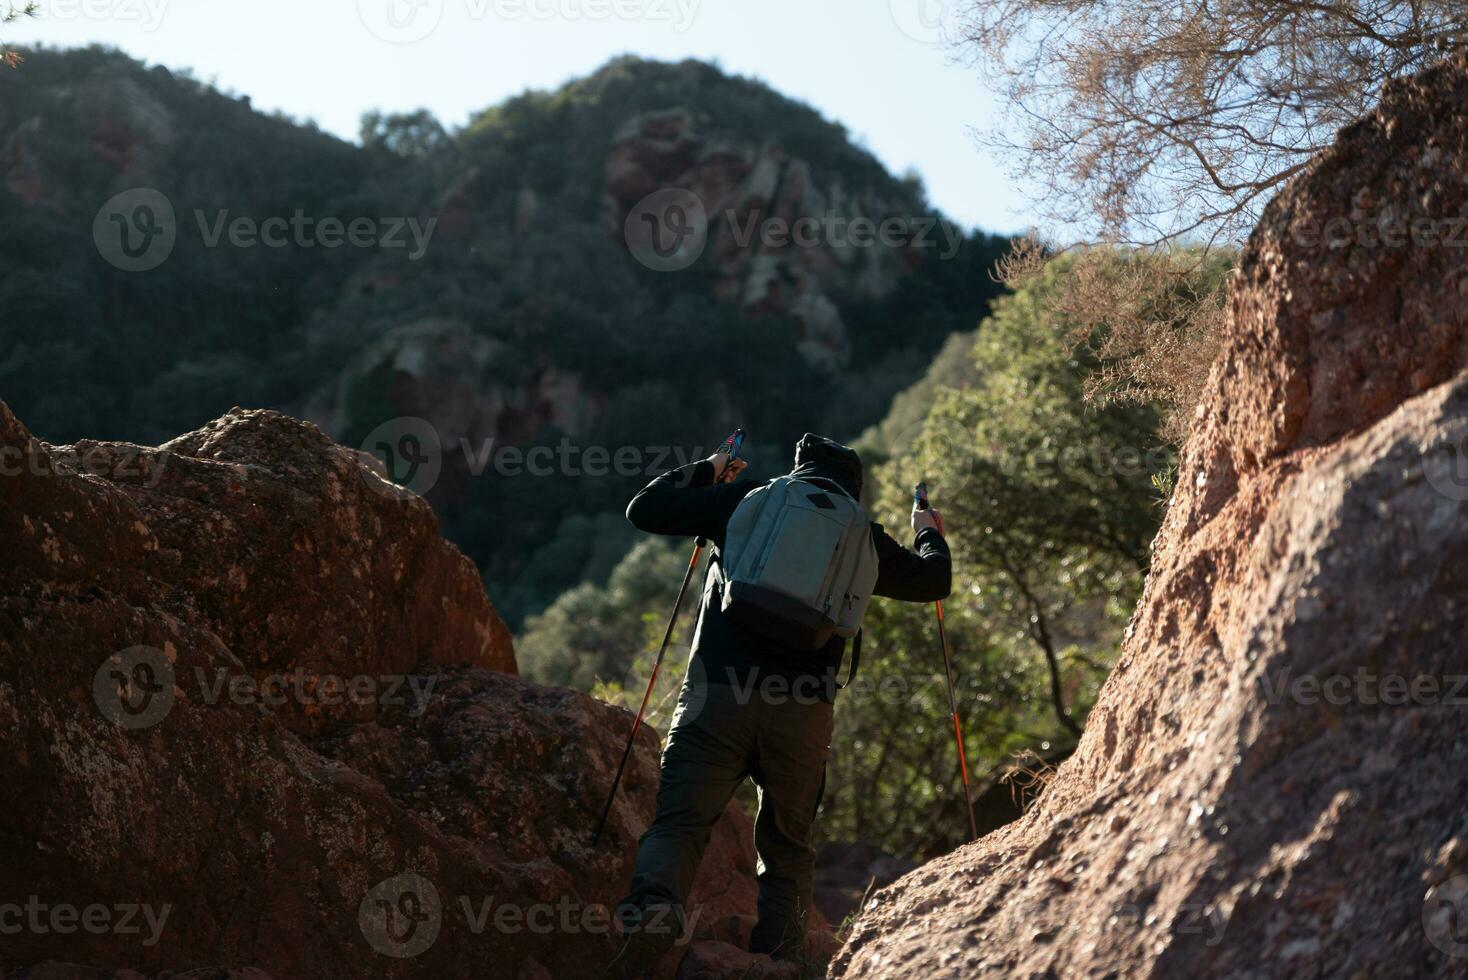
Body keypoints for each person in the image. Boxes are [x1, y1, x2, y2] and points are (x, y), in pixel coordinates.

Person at [605, 433, 951, 978]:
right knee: (788, 847)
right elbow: (936, 582)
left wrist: (708, 468)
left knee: (680, 823)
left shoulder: (746, 499)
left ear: (798, 470)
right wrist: (929, 534)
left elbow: (643, 509)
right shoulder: (864, 537)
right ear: (852, 488)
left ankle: (651, 916)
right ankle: (781, 960)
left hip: (717, 698)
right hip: (803, 714)